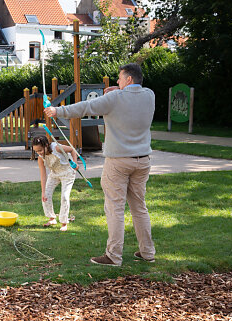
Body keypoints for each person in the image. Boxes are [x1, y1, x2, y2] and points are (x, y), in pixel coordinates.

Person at [44, 63, 156, 266]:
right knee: (139, 207)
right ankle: (148, 252)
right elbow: (130, 95)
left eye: (120, 78)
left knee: (115, 208)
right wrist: (118, 91)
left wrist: (57, 110)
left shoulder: (114, 98)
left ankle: (113, 256)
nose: (117, 82)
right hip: (143, 161)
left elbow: (85, 107)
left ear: (129, 79)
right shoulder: (149, 95)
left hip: (119, 162)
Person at [32, 135, 77, 232]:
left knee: (65, 196)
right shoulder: (40, 157)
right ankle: (51, 218)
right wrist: (43, 192)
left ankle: (64, 222)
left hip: (68, 173)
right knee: (46, 196)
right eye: (36, 151)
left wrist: (75, 163)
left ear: (46, 145)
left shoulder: (56, 148)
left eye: (40, 150)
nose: (39, 153)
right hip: (54, 174)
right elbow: (43, 175)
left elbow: (72, 150)